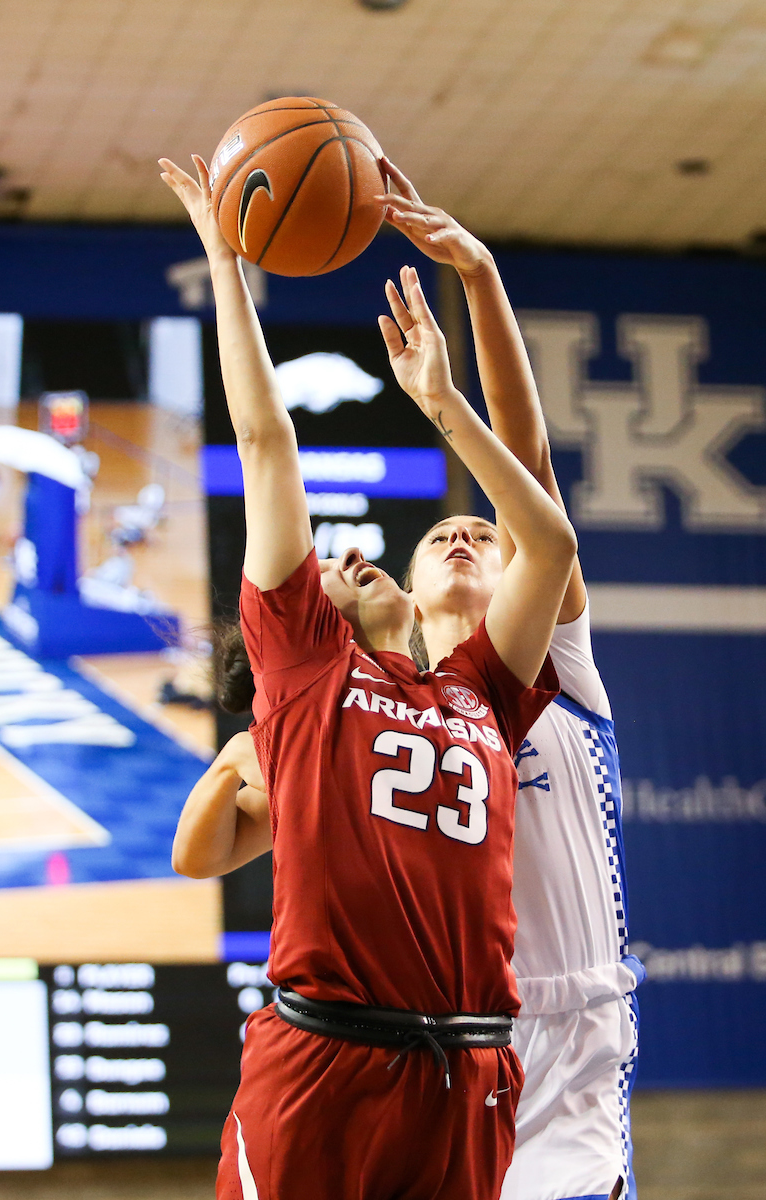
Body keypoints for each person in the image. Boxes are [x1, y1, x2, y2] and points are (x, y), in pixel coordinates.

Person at [160, 151, 576, 1200]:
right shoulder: (301, 677)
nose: (353, 564)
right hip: (324, 1057)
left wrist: (441, 399)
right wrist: (224, 259)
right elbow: (265, 442)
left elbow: (553, 548)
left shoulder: (479, 686)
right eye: (332, 572)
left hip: (471, 1065)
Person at [378, 161, 643, 1200]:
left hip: (573, 1045)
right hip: (448, 1050)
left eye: (481, 532)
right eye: (440, 531)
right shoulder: (384, 709)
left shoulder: (553, 660)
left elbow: (524, 467)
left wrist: (477, 276)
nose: (460, 530)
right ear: (403, 593)